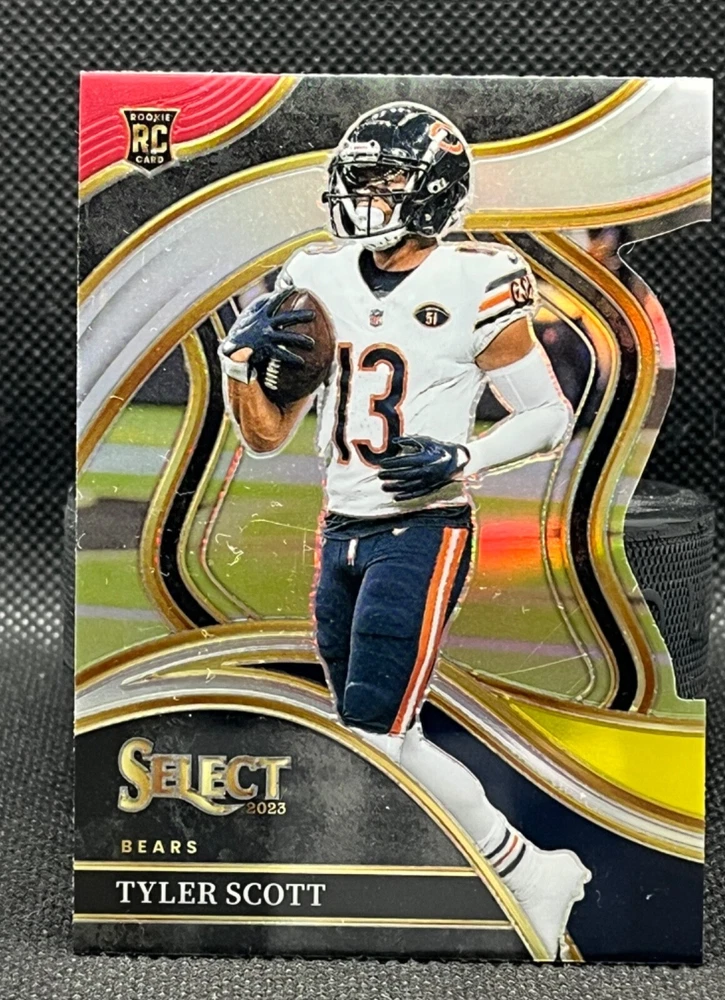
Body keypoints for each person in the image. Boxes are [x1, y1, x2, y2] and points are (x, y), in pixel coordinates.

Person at [219, 102, 590, 958]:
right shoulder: (316, 274)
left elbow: (549, 414)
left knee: (380, 731)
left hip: (422, 527)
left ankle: (529, 870)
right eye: (358, 176)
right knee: (374, 729)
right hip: (339, 528)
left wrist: (465, 456)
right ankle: (445, 874)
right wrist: (240, 364)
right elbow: (265, 434)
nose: (363, 193)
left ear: (434, 189)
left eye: (384, 177)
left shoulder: (475, 279)